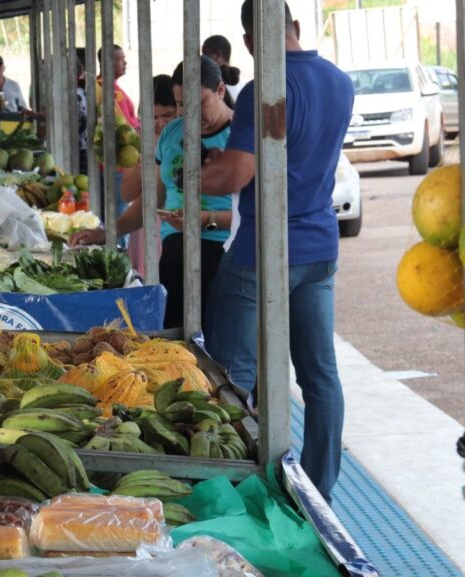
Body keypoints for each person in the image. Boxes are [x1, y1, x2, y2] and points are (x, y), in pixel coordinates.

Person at [200, 0, 353, 502]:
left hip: (262, 251)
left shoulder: (261, 90)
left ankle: (231, 489)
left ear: (249, 41)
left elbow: (238, 173)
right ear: (296, 26)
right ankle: (318, 494)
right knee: (319, 375)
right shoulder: (339, 82)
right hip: (320, 247)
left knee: (232, 373)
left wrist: (191, 176)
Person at [72, 57, 234, 331]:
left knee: (221, 349)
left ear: (220, 90)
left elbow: (260, 216)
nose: (190, 114)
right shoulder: (172, 134)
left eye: (199, 103)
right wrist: (106, 233)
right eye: (182, 105)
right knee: (175, 342)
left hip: (224, 256)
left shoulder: (242, 136)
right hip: (174, 255)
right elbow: (150, 202)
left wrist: (203, 218)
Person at [96, 44, 140, 129]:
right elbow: (125, 123)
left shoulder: (103, 84)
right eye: (120, 59)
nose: (125, 62)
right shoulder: (109, 88)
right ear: (108, 63)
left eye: (124, 59)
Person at [202, 34, 243, 105]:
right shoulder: (243, 87)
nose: (203, 60)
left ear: (217, 55)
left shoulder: (209, 88)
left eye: (205, 55)